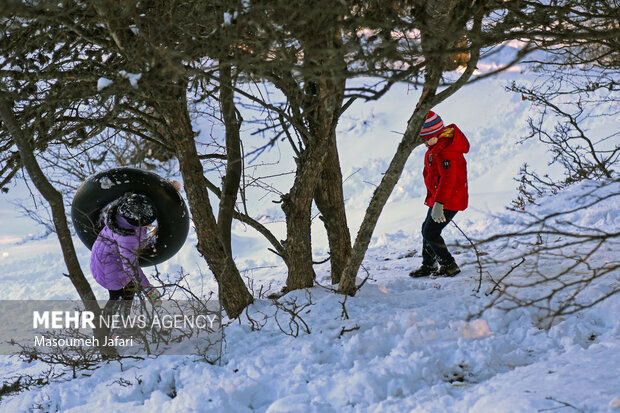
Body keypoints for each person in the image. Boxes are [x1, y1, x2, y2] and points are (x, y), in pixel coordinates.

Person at [410, 111, 469, 278]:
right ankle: (429, 265)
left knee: (430, 232)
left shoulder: (446, 151)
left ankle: (449, 264)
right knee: (426, 229)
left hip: (449, 199)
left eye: (427, 138)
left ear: (436, 134)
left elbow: (448, 180)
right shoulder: (436, 147)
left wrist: (440, 204)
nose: (425, 143)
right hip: (439, 199)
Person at [90, 193, 162, 318]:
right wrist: (148, 290)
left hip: (102, 257)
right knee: (116, 297)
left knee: (128, 289)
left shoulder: (121, 213)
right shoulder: (128, 238)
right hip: (109, 270)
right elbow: (130, 267)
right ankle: (106, 328)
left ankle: (123, 320)